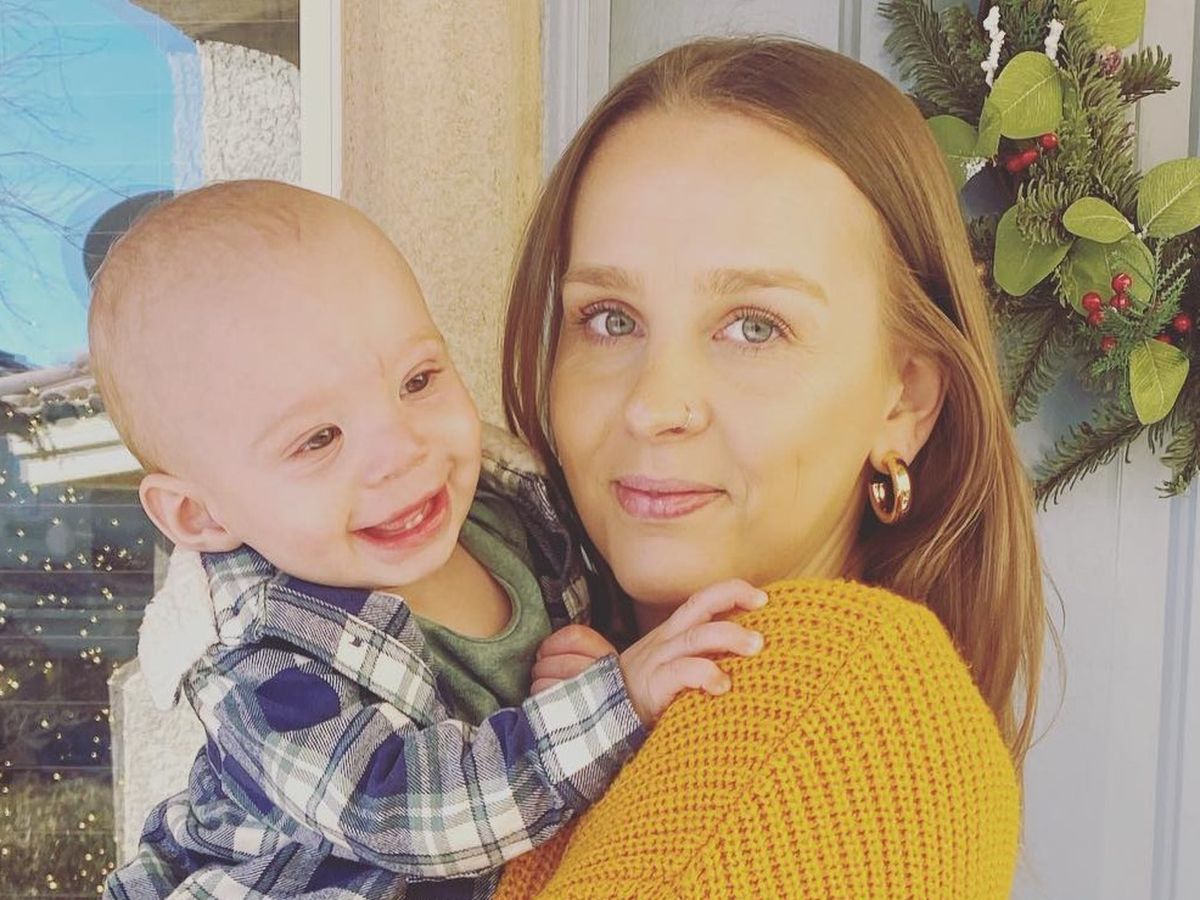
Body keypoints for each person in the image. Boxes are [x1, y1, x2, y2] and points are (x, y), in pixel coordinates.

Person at [89, 180, 766, 899]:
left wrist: (591, 677)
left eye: (417, 381)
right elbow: (404, 813)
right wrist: (612, 705)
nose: (402, 451)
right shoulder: (260, 662)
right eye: (319, 439)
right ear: (200, 515)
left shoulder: (514, 514)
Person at [495, 37, 1047, 898]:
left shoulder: (847, 708)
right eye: (608, 319)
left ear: (903, 399)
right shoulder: (547, 678)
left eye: (754, 327)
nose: (653, 404)